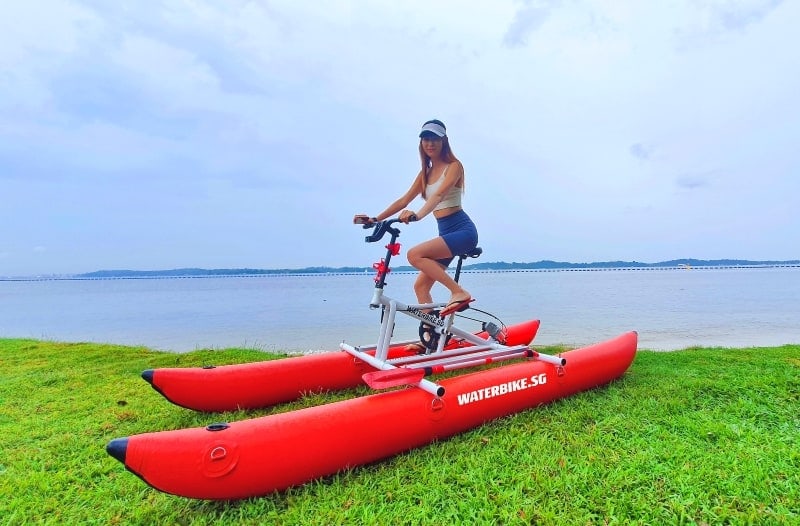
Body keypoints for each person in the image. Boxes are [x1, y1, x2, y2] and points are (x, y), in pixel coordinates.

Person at [353, 119, 478, 326]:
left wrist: (418, 215)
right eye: (426, 139)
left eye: (435, 139)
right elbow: (403, 200)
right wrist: (375, 219)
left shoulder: (454, 167)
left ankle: (458, 292)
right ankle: (429, 334)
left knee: (414, 254)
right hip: (446, 234)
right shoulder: (425, 174)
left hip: (463, 231)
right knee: (420, 287)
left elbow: (438, 195)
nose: (430, 144)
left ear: (444, 141)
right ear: (421, 143)